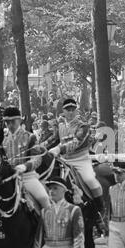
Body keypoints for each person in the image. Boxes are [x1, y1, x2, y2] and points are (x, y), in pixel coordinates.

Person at [48, 99, 107, 235]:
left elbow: (77, 142)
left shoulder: (83, 126)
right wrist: (41, 147)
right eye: (67, 110)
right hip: (64, 160)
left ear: (76, 110)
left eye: (73, 109)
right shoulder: (61, 125)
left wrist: (59, 148)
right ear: (63, 111)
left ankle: (100, 212)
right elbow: (53, 138)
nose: (70, 112)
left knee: (90, 180)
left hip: (80, 160)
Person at [2, 107, 50, 213]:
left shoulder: (30, 137)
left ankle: (50, 227)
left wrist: (25, 166)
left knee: (44, 199)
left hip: (27, 177)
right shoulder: (3, 139)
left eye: (12, 121)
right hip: (7, 179)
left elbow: (37, 158)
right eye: (7, 122)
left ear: (19, 120)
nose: (10, 125)